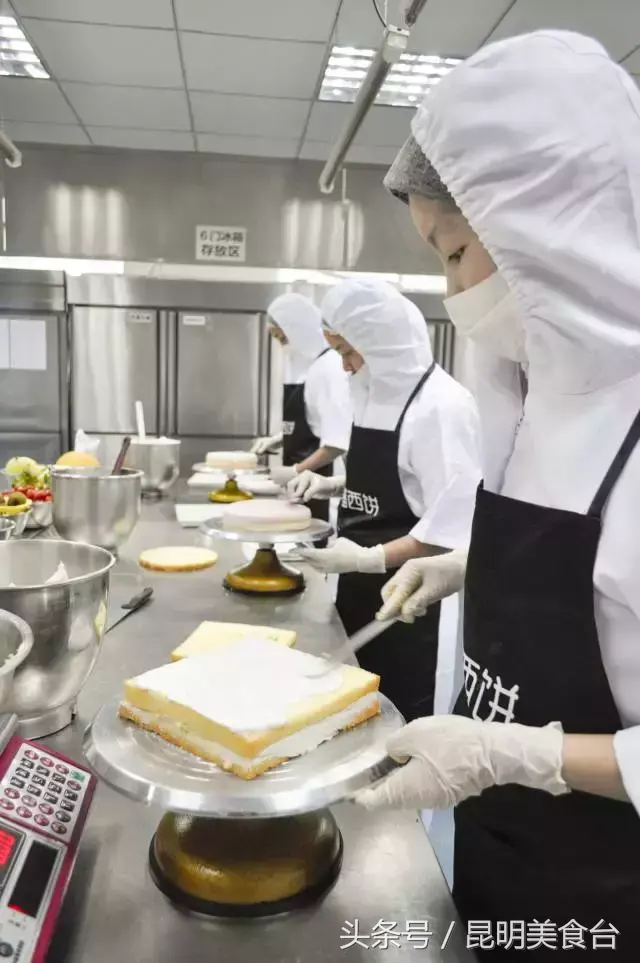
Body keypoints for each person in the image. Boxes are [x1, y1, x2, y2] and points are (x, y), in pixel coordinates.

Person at [356, 30, 640, 959]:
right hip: (500, 856)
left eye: (453, 254)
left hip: (605, 894)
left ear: (544, 233)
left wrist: (517, 753)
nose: (450, 292)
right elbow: (590, 574)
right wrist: (466, 565)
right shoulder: (526, 393)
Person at [290, 277, 481, 722]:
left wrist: (369, 558)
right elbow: (394, 483)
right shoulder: (369, 392)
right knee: (354, 713)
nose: (344, 366)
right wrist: (333, 485)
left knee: (398, 718)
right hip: (357, 590)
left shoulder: (442, 408)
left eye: (347, 352)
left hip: (412, 604)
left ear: (381, 344)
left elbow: (452, 527)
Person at [252, 293, 351, 523]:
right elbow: (315, 421)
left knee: (317, 533)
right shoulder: (307, 366)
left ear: (298, 329)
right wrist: (280, 438)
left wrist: (296, 470)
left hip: (323, 486)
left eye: (283, 338)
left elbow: (336, 442)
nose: (282, 346)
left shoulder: (332, 368)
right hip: (303, 485)